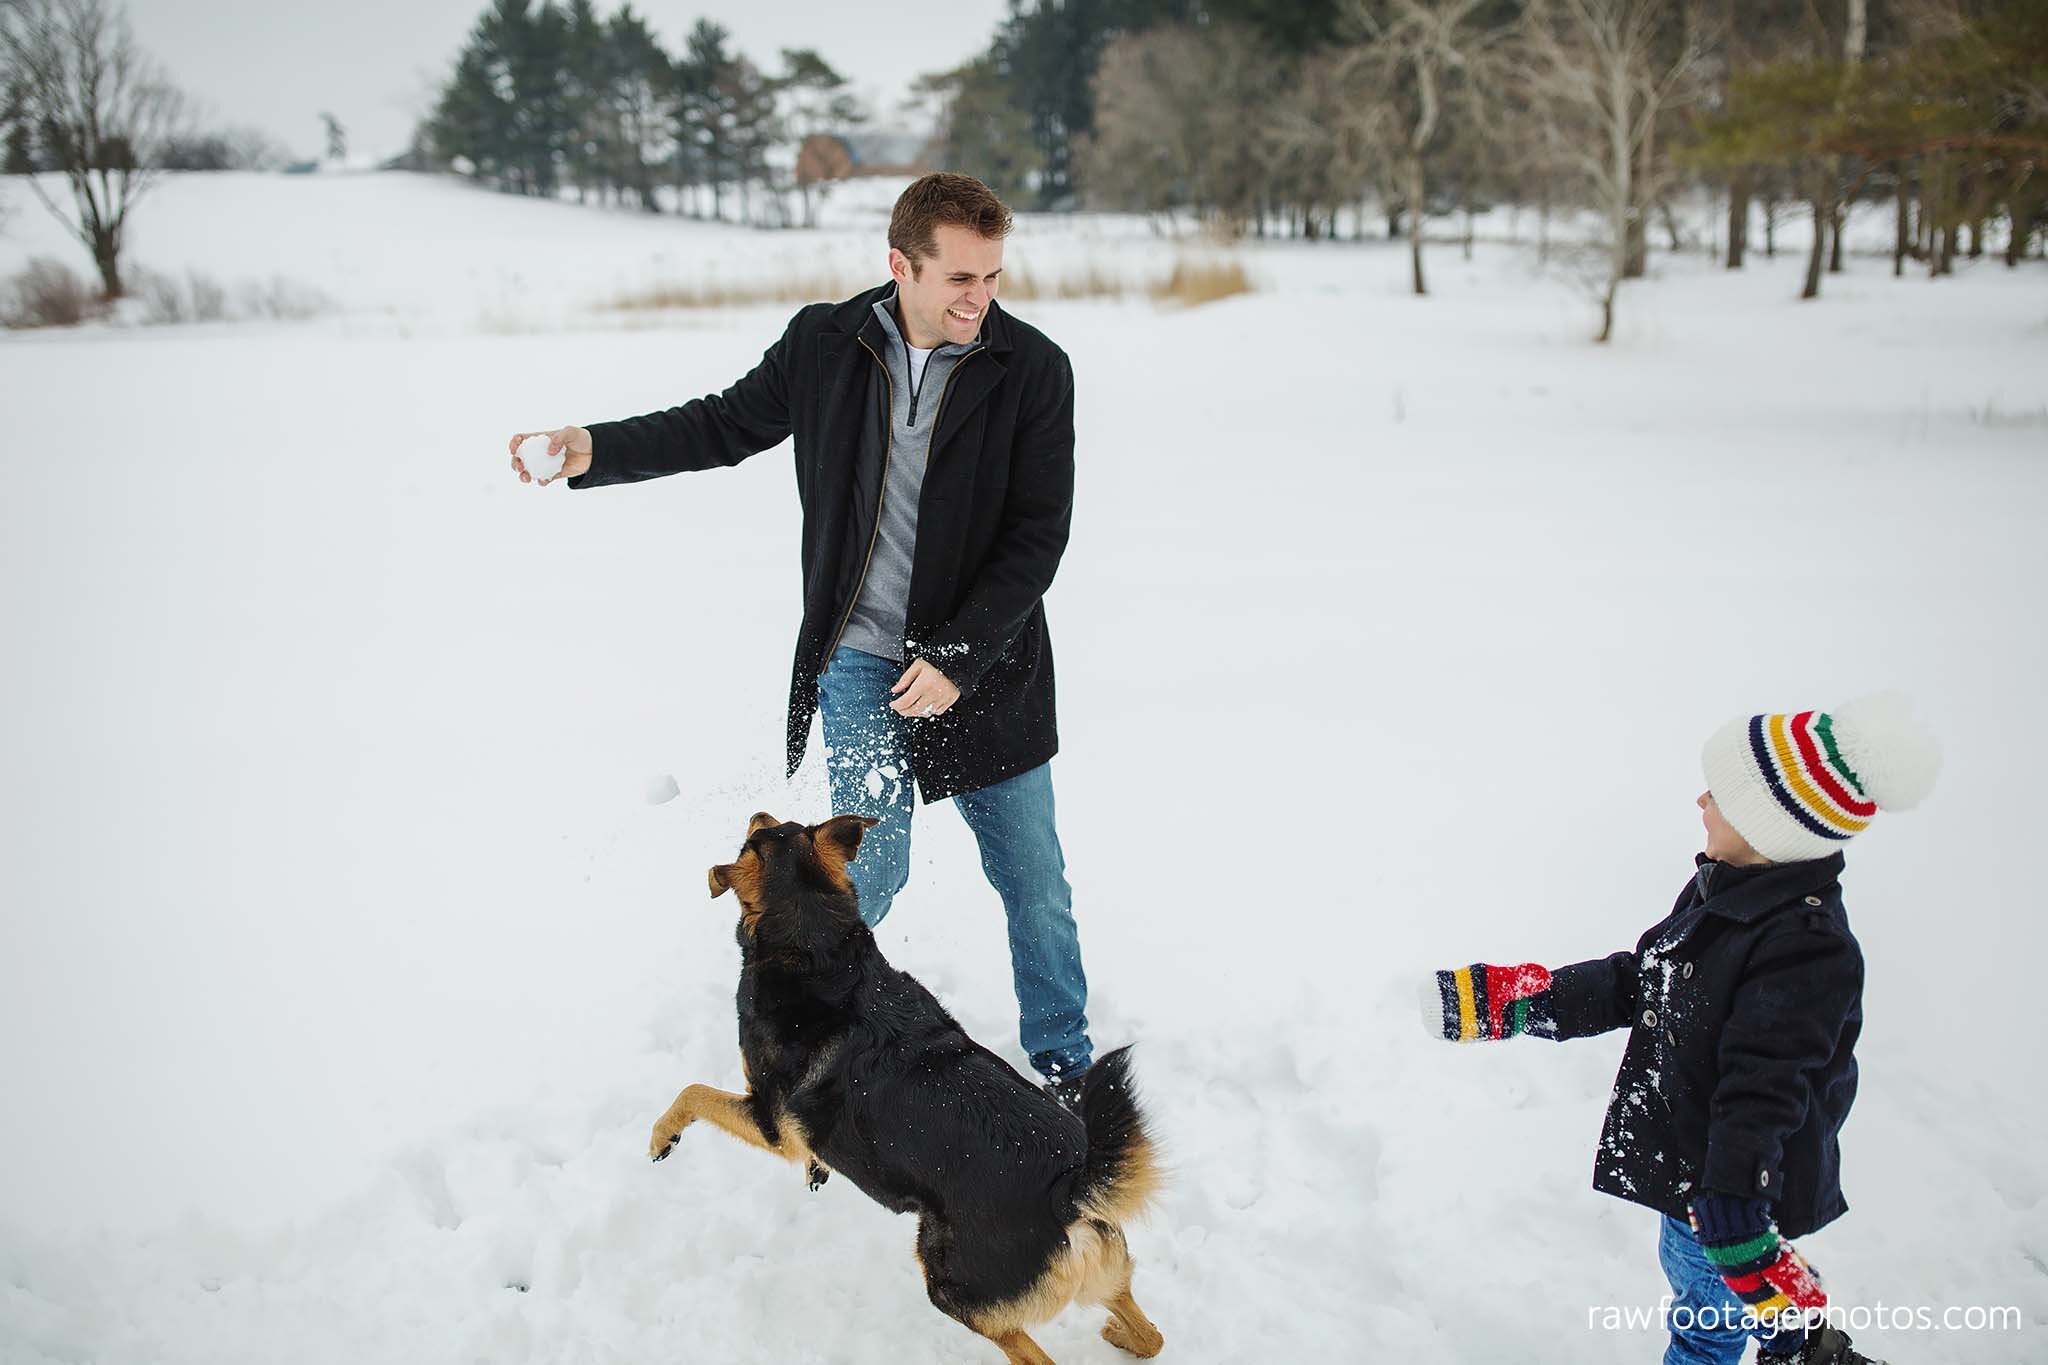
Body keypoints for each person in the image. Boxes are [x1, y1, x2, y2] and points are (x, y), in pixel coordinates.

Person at [507, 173, 1096, 1105]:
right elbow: (722, 423)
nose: (980, 298)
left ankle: (1065, 1064)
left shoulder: (1032, 369)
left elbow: (1037, 538)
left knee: (1034, 880)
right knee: (871, 863)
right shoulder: (825, 344)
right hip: (859, 660)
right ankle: (815, 1036)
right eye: (958, 279)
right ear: (898, 265)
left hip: (989, 666)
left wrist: (958, 657)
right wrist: (594, 447)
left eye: (991, 276)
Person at [1422, 695, 1939, 1365]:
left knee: (1704, 1328)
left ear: (1768, 824)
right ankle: (1800, 1333)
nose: (1700, 800)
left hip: (1725, 1185)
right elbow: (1643, 981)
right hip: (1700, 1174)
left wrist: (1733, 1199)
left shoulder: (1806, 948)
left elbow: (1766, 1087)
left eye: (1720, 793)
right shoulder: (1724, 890)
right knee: (1707, 1288)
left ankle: (1800, 1341)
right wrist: (1517, 1000)